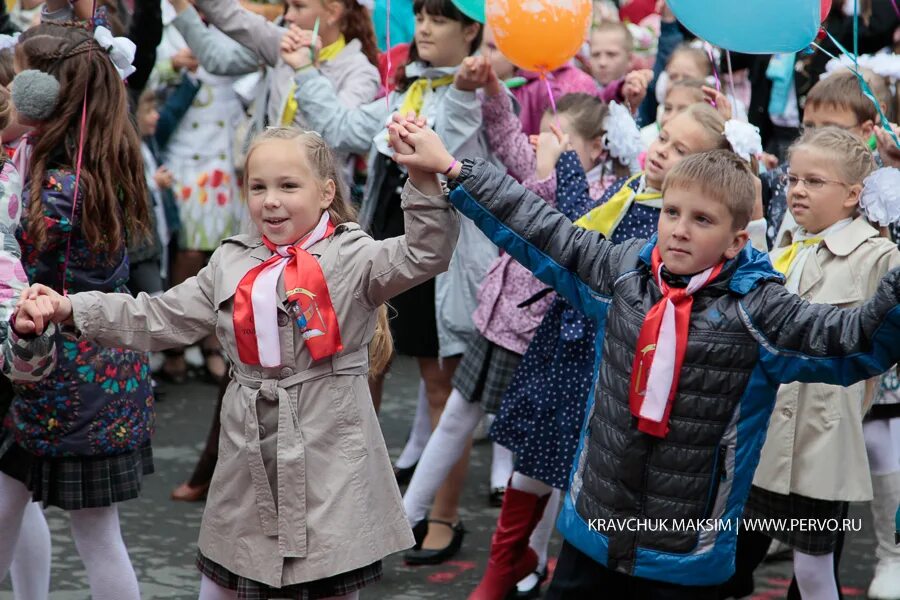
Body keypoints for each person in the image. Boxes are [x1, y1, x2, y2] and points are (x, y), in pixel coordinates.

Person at [387, 119, 900, 599]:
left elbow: (853, 340)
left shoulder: (761, 311)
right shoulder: (625, 275)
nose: (679, 229)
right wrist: (453, 169)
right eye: (672, 212)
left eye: (702, 220)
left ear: (737, 239)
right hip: (594, 532)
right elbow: (543, 230)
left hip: (684, 557)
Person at [14, 126, 459, 599]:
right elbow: (158, 316)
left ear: (327, 191)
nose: (271, 201)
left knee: (327, 580)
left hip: (331, 450)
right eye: (258, 186)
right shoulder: (231, 261)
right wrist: (72, 308)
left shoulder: (353, 255)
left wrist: (423, 177)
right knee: (226, 580)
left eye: (289, 186)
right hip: (248, 451)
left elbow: (424, 252)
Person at [280, 0, 498, 563]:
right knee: (359, 376)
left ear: (471, 30)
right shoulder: (411, 89)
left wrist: (473, 90)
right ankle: (355, 510)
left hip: (440, 260)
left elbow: (445, 146)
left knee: (441, 388)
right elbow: (348, 128)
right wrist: (305, 69)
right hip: (380, 251)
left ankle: (444, 518)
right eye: (421, 17)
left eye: (440, 19)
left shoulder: (485, 91)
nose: (424, 28)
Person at [0, 23, 153, 600]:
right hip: (95, 376)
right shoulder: (95, 159)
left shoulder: (56, 187)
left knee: (90, 533)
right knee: (30, 511)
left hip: (58, 378)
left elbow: (11, 261)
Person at [723, 127, 900, 600]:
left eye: (815, 181)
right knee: (732, 552)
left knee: (815, 566)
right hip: (766, 432)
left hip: (823, 433)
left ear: (853, 196)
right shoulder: (788, 247)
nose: (798, 189)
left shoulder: (877, 255)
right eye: (794, 179)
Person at [0, 82, 54, 600]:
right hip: (16, 318)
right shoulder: (22, 156)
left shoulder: (22, 157)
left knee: (13, 488)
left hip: (14, 323)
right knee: (15, 490)